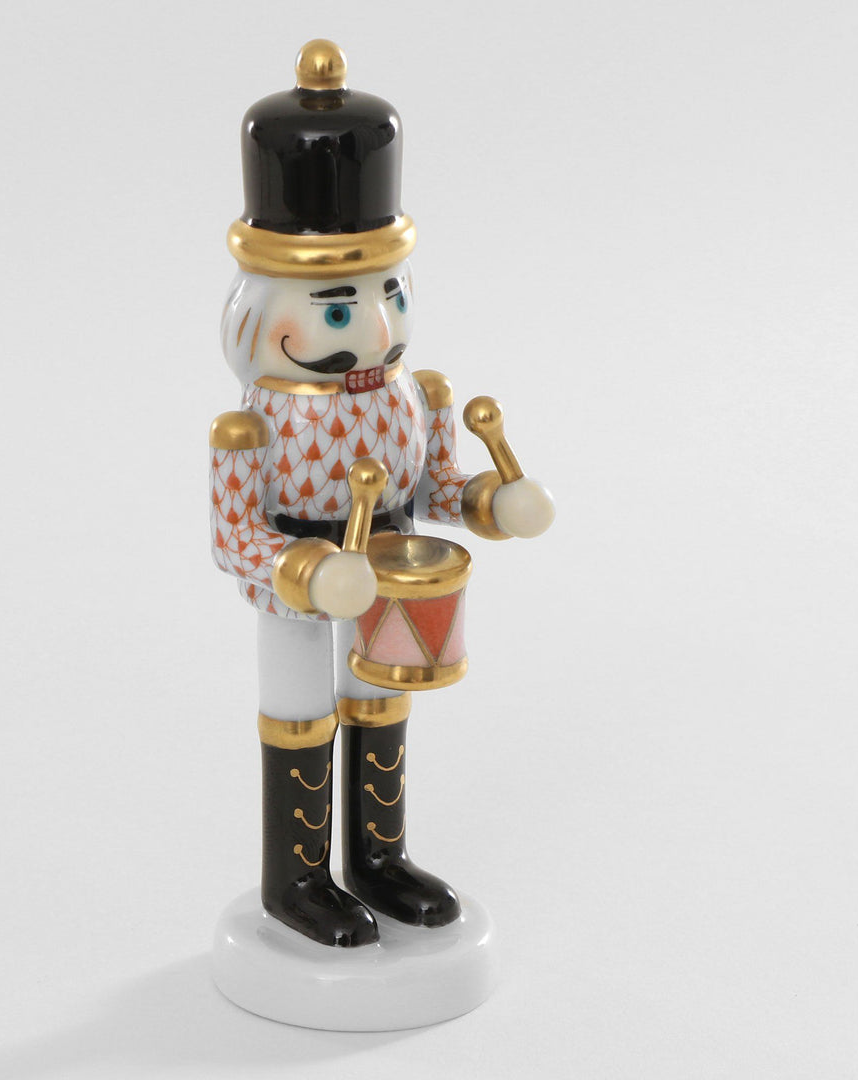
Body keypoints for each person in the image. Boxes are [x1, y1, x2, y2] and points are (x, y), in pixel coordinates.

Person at [209, 40, 555, 948]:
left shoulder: (417, 394)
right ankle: (295, 879)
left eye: (388, 292)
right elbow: (232, 535)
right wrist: (306, 570)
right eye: (335, 308)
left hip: (387, 566)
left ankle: (377, 858)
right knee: (300, 709)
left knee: (382, 696)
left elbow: (435, 486)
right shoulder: (251, 426)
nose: (371, 325)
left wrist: (492, 501)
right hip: (298, 583)